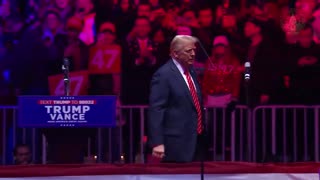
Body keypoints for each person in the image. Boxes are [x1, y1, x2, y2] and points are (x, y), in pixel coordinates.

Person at [148, 35, 206, 163]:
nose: (193, 54)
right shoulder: (163, 75)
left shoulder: (190, 71)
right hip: (175, 142)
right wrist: (157, 142)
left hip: (195, 139)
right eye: (188, 51)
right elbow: (157, 109)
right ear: (175, 54)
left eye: (194, 50)